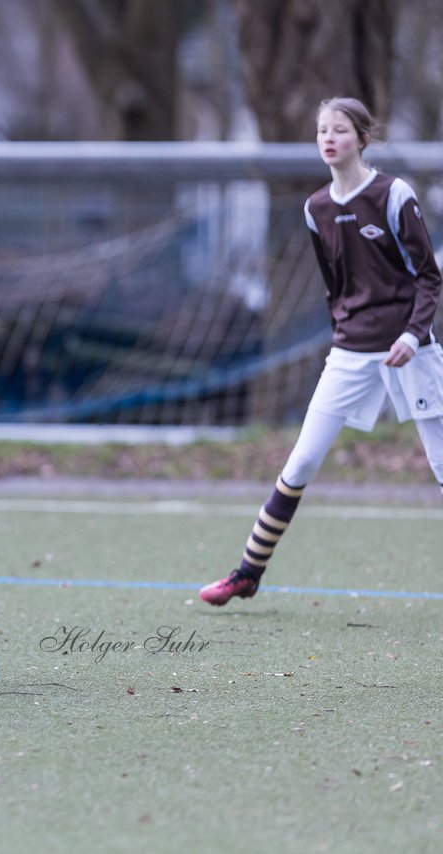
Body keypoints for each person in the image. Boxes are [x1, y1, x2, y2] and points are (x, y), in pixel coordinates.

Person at [200, 96, 443, 606]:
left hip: (412, 351)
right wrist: (347, 332)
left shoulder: (394, 195)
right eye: (321, 132)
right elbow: (335, 286)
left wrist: (410, 335)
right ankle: (247, 573)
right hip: (351, 354)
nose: (328, 138)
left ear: (362, 138)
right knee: (302, 460)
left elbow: (429, 280)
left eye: (339, 130)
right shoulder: (316, 209)